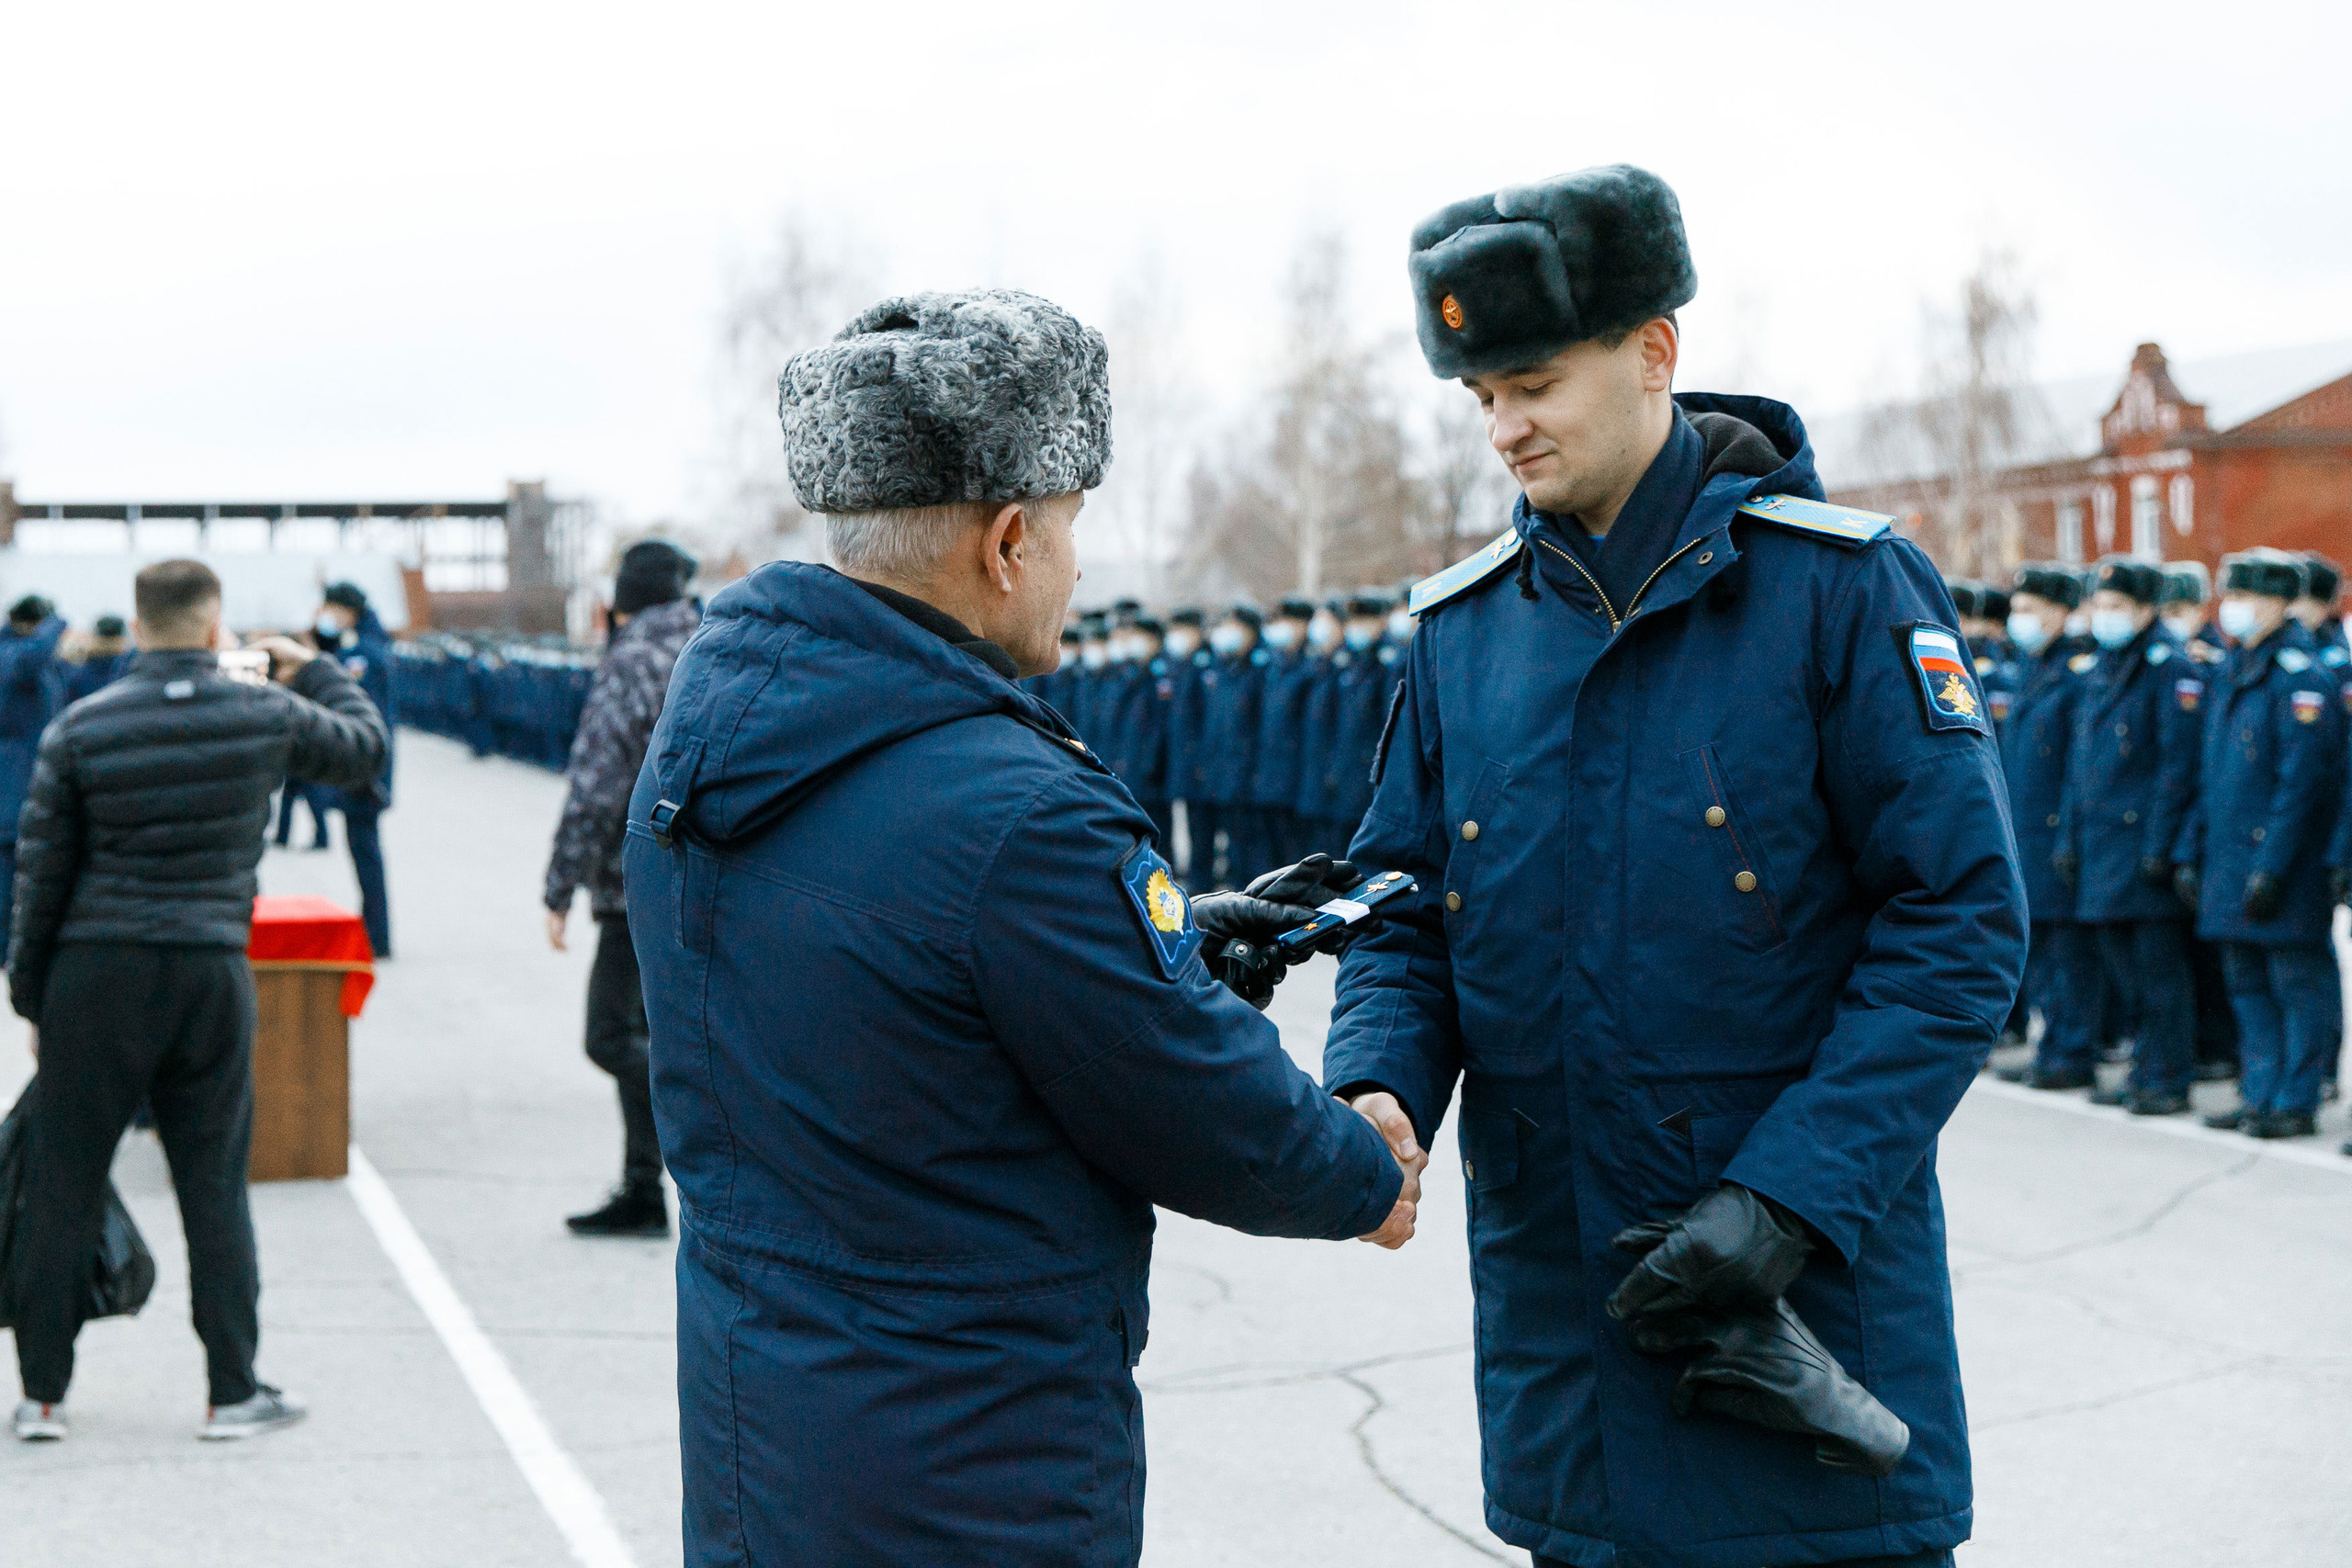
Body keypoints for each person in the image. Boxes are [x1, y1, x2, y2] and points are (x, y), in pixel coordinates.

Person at [626, 288, 1413, 1565]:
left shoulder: (715, 734)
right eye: (1069, 525)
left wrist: (1169, 949)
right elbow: (1190, 1100)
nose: (1077, 566)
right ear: (1005, 544)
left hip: (763, 1426)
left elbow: (886, 1000)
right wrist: (1364, 1173)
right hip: (969, 1458)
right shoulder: (1018, 808)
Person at [1322, 166, 2025, 1568]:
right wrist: (1378, 1081)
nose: (1504, 427)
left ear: (1655, 350)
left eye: (1533, 383)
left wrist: (1788, 1200)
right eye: (1481, 397)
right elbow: (1403, 908)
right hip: (1569, 1344)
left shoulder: (1840, 590)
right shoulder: (1466, 632)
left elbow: (1958, 924)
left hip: (1794, 1318)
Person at [7, 558, 388, 1443]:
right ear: (215, 626)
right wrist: (314, 668)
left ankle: (43, 1397)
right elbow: (365, 748)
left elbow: (41, 874)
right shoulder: (263, 712)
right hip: (209, 967)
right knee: (213, 1183)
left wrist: (33, 1001)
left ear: (139, 626)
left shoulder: (81, 726)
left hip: (95, 974)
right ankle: (231, 1391)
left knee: (64, 1181)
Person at [543, 539, 701, 1237]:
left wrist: (560, 883)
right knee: (640, 1029)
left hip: (639, 879)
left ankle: (711, 1115)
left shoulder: (632, 659)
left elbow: (599, 782)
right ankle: (642, 1188)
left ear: (622, 602)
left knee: (610, 1035)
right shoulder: (707, 646)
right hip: (705, 873)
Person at [2189, 549, 2345, 1139]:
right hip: (2230, 859)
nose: (2234, 608)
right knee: (2247, 986)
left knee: (2294, 985)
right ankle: (2259, 1092)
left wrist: (2272, 868)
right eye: (2232, 596)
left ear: (2280, 604)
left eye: (2248, 597)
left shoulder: (2301, 678)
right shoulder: (2234, 669)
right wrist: (2191, 852)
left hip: (2283, 865)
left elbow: (2301, 786)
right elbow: (2212, 776)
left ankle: (2296, 1099)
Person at [2057, 557, 2201, 1115]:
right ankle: (2145, 1066)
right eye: (2100, 604)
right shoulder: (2102, 667)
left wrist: (2161, 847)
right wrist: (2068, 839)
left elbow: (2177, 767)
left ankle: (2167, 1075)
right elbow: (2081, 764)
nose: (2105, 615)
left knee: (2159, 973)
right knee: (2125, 971)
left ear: (2145, 610)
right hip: (2102, 846)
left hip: (2143, 846)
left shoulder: (2168, 666)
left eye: (2117, 605)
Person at [1992, 566, 2100, 1089]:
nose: (2020, 619)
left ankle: (2071, 1050)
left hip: (2059, 829)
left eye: (2031, 609)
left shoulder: (2076, 673)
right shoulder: (2027, 668)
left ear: (2060, 612)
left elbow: (2080, 765)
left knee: (2067, 954)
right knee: (2037, 948)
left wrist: (2068, 834)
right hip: (2025, 829)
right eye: (2017, 609)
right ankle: (2051, 1044)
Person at [2161, 560, 2240, 1083]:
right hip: (2190, 825)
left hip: (2210, 823)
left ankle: (2220, 1046)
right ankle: (2203, 1044)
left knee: (2213, 957)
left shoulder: (2212, 661)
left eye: (2180, 608)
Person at [310, 582, 397, 957]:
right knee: (362, 851)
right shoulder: (356, 644)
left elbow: (365, 718)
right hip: (361, 767)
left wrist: (367, 772)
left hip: (364, 771)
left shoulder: (364, 653)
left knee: (366, 853)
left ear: (346, 610)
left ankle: (378, 936)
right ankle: (373, 929)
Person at [0, 596, 65, 960]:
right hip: (12, 781)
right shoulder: (11, 654)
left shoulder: (28, 657)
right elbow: (31, 658)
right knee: (9, 870)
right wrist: (55, 620)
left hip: (30, 774)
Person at [1196, 603, 1269, 886]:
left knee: (1247, 850)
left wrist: (1252, 771)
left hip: (1246, 775)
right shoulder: (1221, 668)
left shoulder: (1260, 670)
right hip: (1218, 773)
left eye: (1235, 627)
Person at [1251, 596, 1317, 864]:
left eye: (1289, 621)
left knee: (1295, 855)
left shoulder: (1311, 666)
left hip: (1296, 777)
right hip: (1269, 775)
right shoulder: (1273, 665)